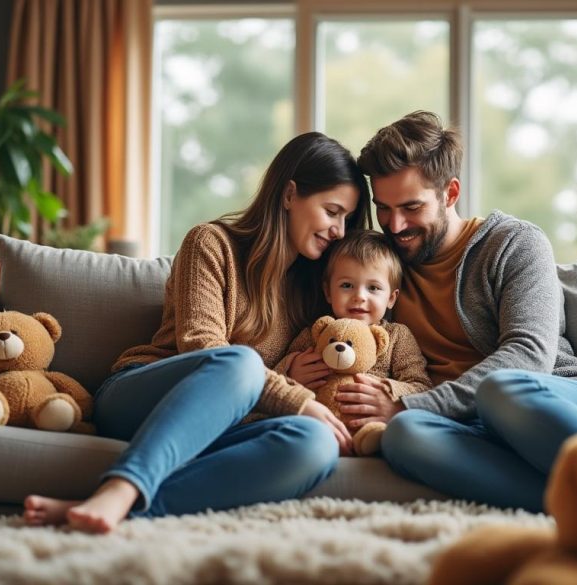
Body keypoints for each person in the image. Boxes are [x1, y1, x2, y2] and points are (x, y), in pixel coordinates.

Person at [24, 132, 371, 532]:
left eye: (346, 218)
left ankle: (119, 511)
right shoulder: (211, 243)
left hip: (231, 421)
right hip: (142, 397)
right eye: (332, 211)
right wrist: (296, 398)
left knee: (316, 443)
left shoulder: (315, 288)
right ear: (290, 194)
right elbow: (203, 347)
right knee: (238, 362)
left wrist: (293, 378)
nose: (340, 230)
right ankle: (119, 488)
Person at [339, 111, 577, 512]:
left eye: (411, 206)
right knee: (403, 436)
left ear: (450, 193)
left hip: (555, 400)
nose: (395, 224)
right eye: (382, 207)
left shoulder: (514, 243)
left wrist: (408, 405)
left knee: (501, 388)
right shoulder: (382, 265)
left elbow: (529, 355)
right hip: (468, 422)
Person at [274, 229, 432, 436]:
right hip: (320, 424)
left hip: (373, 425)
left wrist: (386, 390)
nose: (359, 296)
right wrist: (290, 372)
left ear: (391, 298)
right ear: (328, 292)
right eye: (347, 285)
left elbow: (422, 386)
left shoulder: (397, 336)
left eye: (373, 288)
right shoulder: (316, 333)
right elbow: (272, 382)